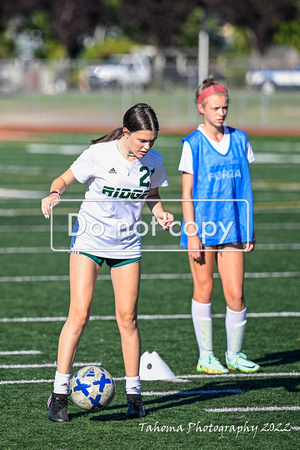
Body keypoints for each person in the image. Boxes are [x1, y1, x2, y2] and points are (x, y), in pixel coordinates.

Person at [41, 103, 174, 422]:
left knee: (128, 318)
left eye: (152, 141)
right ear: (126, 133)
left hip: (127, 244)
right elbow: (63, 179)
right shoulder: (99, 154)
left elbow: (151, 195)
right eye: (142, 140)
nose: (147, 146)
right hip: (88, 239)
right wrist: (54, 194)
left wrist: (161, 214)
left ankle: (135, 395)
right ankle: (59, 396)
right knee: (79, 314)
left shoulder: (152, 161)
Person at [178, 78, 260, 375]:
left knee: (236, 293)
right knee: (205, 288)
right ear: (201, 108)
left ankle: (234, 355)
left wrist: (248, 226)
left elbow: (245, 187)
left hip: (234, 227)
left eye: (225, 107)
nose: (221, 112)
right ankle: (206, 357)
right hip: (203, 227)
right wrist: (191, 231)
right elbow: (186, 193)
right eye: (215, 107)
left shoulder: (240, 139)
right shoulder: (192, 144)